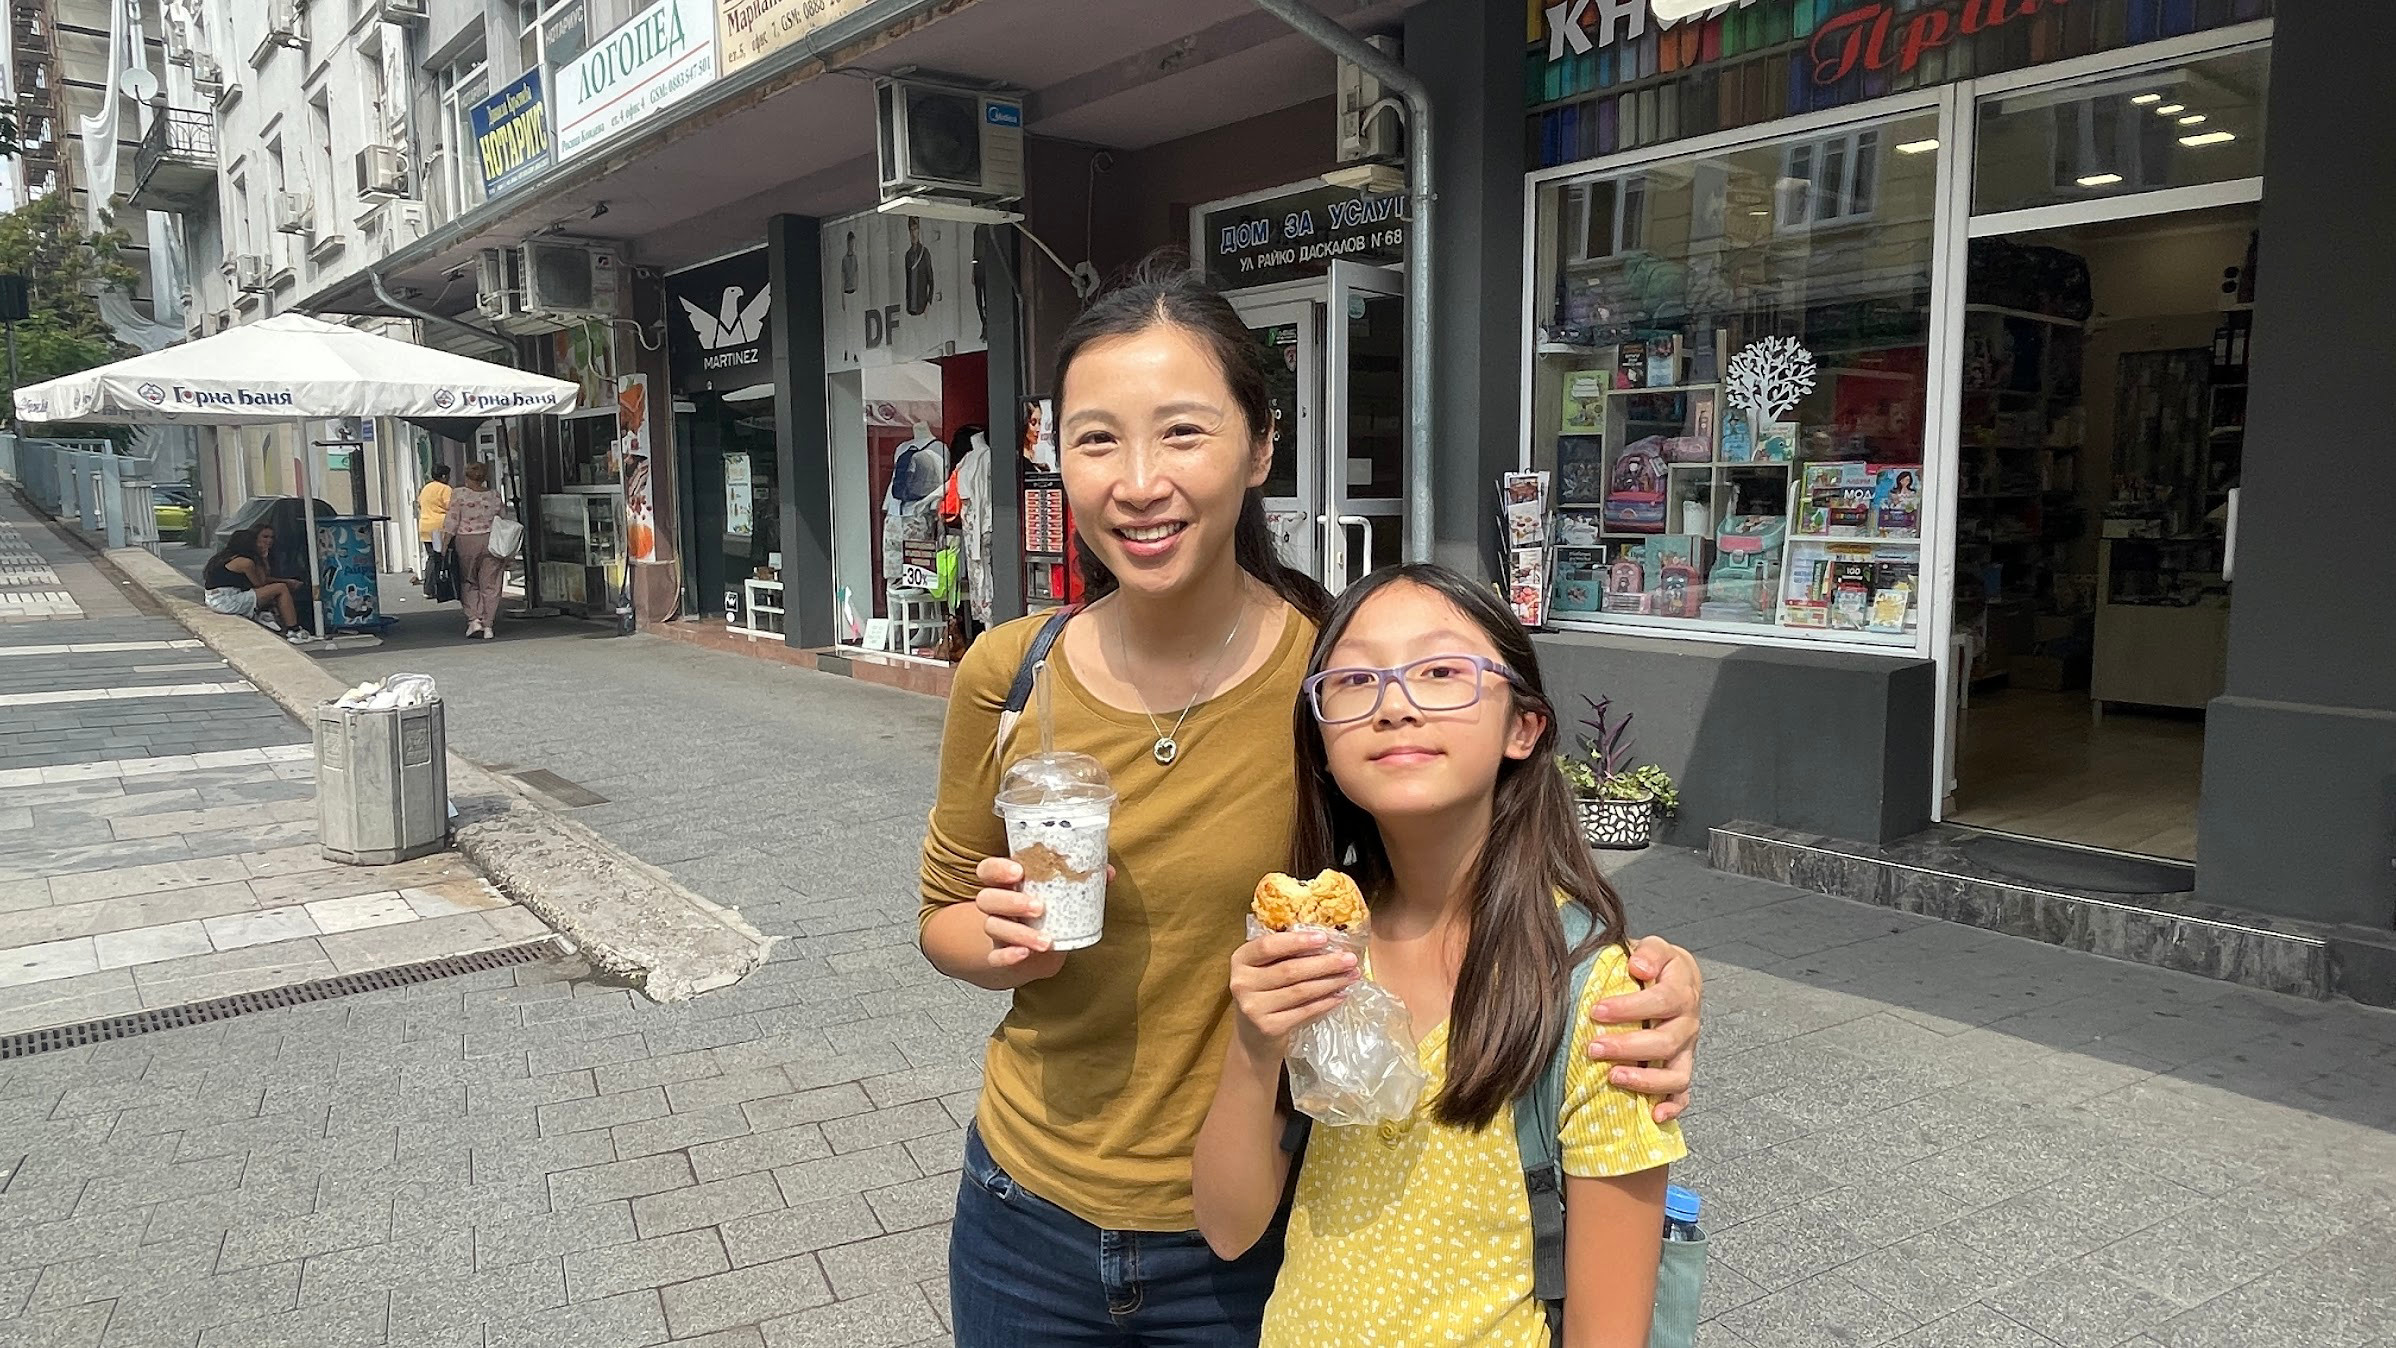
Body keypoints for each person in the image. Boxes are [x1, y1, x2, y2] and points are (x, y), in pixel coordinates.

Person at [917, 256, 1703, 1346]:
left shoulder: (1336, 677)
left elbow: (1458, 858)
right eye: (1096, 439)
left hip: (1257, 1230)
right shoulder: (1008, 672)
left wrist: (1636, 981)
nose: (1138, 481)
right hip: (1021, 1208)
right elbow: (940, 915)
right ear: (1057, 455)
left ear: (1261, 446)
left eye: (1182, 431)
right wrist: (993, 940)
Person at [1193, 564, 1684, 1346]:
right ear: (1321, 741)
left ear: (1525, 727)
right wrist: (1254, 1046)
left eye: (1441, 671)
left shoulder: (1599, 997)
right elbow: (1228, 1227)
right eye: (1354, 681)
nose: (1394, 705)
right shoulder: (1314, 945)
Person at [201, 527, 310, 645]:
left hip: (215, 598)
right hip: (227, 601)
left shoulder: (223, 557)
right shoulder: (245, 562)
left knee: (275, 587)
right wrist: (263, 559)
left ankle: (265, 613)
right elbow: (260, 583)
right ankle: (293, 629)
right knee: (280, 588)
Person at [447, 463, 509, 640]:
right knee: (491, 584)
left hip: (466, 540)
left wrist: (443, 546)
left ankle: (474, 620)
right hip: (492, 540)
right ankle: (488, 625)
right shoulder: (494, 495)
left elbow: (452, 521)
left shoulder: (459, 494)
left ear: (466, 477)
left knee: (468, 580)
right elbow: (503, 518)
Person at [417, 463, 453, 582]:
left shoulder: (426, 488)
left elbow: (419, 504)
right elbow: (450, 506)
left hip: (425, 526)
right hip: (438, 528)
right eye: (448, 476)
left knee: (432, 556)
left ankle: (430, 587)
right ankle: (435, 586)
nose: (449, 478)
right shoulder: (445, 489)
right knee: (438, 558)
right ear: (443, 476)